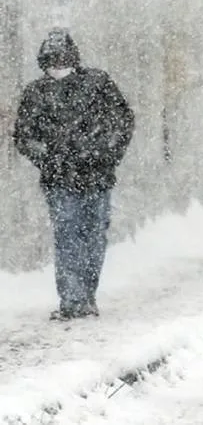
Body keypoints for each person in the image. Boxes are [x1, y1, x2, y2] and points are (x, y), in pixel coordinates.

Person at [13, 29, 135, 320]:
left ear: (73, 57)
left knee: (93, 237)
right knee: (68, 235)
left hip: (97, 176)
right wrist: (50, 158)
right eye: (51, 58)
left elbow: (122, 121)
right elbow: (24, 136)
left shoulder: (98, 83)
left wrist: (104, 153)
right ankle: (72, 300)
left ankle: (85, 295)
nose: (57, 64)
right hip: (59, 179)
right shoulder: (36, 92)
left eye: (62, 57)